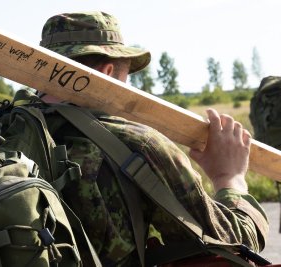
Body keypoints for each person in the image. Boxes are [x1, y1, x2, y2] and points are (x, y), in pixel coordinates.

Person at [35, 11, 269, 266]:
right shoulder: (137, 145)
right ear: (109, 71)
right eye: (127, 77)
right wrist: (229, 178)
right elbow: (236, 246)